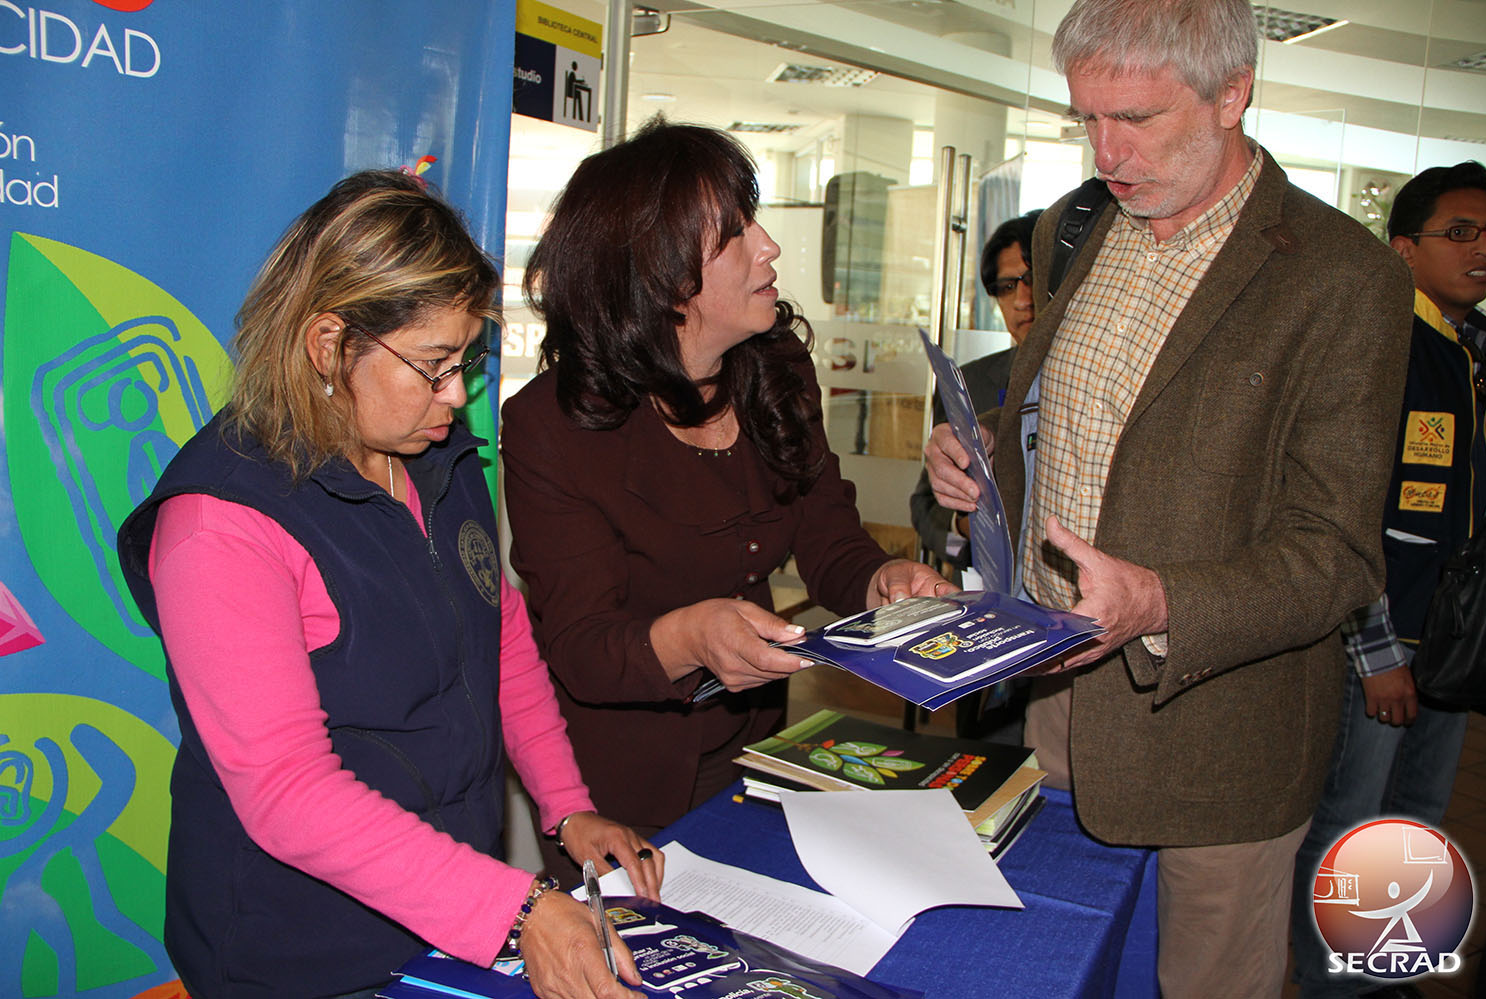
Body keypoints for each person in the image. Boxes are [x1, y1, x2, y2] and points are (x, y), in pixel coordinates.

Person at [921, 1, 1411, 995]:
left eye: (1135, 119)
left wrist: (1158, 603)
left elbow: (1335, 550)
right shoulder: (1077, 227)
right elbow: (1044, 422)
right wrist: (965, 472)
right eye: (1084, 119)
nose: (1105, 151)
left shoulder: (1340, 278)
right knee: (1056, 963)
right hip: (1056, 693)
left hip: (1220, 726)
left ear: (1231, 95)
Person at [116, 171, 663, 999]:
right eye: (434, 365)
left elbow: (499, 633)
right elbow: (285, 790)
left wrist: (565, 803)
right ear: (329, 344)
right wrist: (517, 907)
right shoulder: (218, 524)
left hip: (443, 913)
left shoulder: (435, 450)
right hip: (297, 949)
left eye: (465, 361)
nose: (457, 395)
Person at [501, 120, 952, 880]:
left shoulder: (775, 367)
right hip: (616, 790)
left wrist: (883, 583)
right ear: (661, 274)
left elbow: (828, 535)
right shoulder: (552, 425)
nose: (769, 245)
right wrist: (690, 634)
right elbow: (580, 645)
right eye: (735, 233)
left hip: (755, 749)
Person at [1290, 161, 1486, 998]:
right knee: (1350, 823)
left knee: (1416, 824)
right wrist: (1376, 654)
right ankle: (1330, 984)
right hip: (1378, 640)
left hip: (1449, 642)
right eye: (1459, 233)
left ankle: (1384, 971)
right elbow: (1348, 513)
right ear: (1403, 248)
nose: (1481, 250)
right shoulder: (1380, 345)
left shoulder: (1478, 352)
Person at [910, 210, 1041, 572]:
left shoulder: (1097, 384)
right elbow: (926, 508)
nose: (1021, 301)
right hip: (987, 594)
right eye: (1007, 286)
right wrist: (966, 528)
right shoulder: (968, 384)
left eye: (1031, 280)